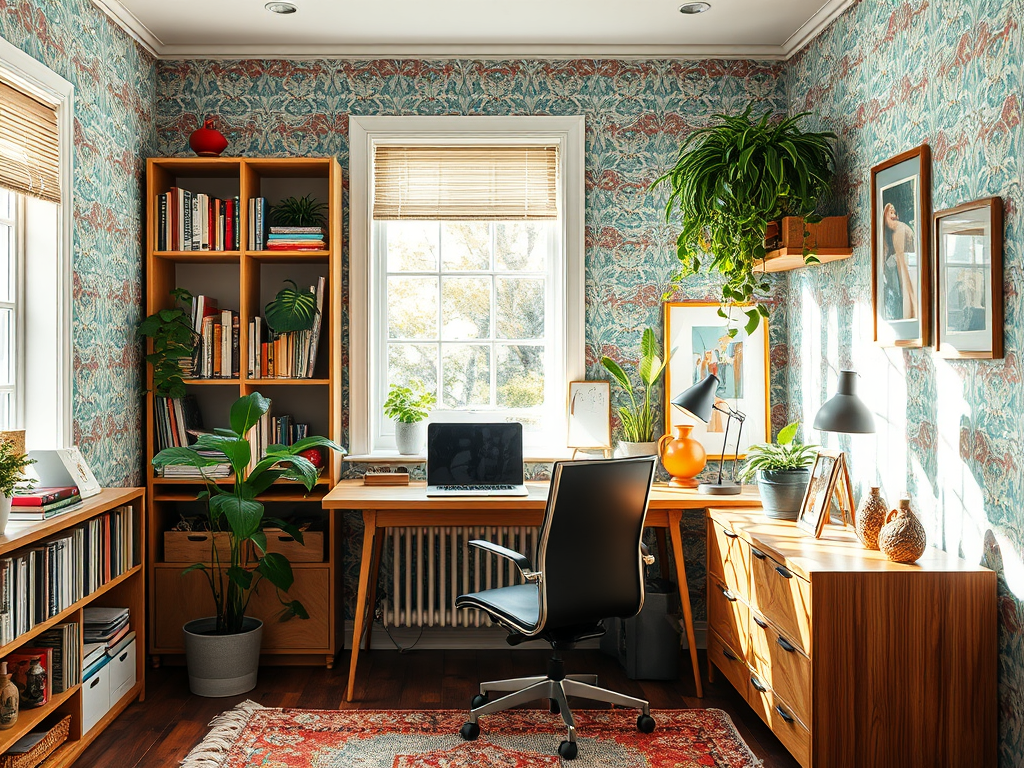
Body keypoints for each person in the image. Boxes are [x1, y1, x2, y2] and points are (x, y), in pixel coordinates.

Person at [882, 202, 917, 320]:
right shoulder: (894, 232)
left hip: (907, 269)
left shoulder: (899, 229)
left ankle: (910, 311)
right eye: (890, 212)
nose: (893, 214)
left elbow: (902, 261)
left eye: (893, 212)